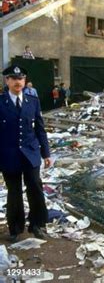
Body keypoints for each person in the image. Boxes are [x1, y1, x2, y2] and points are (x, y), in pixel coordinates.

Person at [0, 65, 52, 242]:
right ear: (7, 81)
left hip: (30, 153)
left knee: (35, 188)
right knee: (14, 192)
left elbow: (40, 128)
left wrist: (46, 154)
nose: (17, 82)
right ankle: (15, 228)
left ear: (24, 80)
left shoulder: (32, 101)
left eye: (20, 78)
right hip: (8, 155)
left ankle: (37, 225)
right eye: (13, 79)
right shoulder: (1, 102)